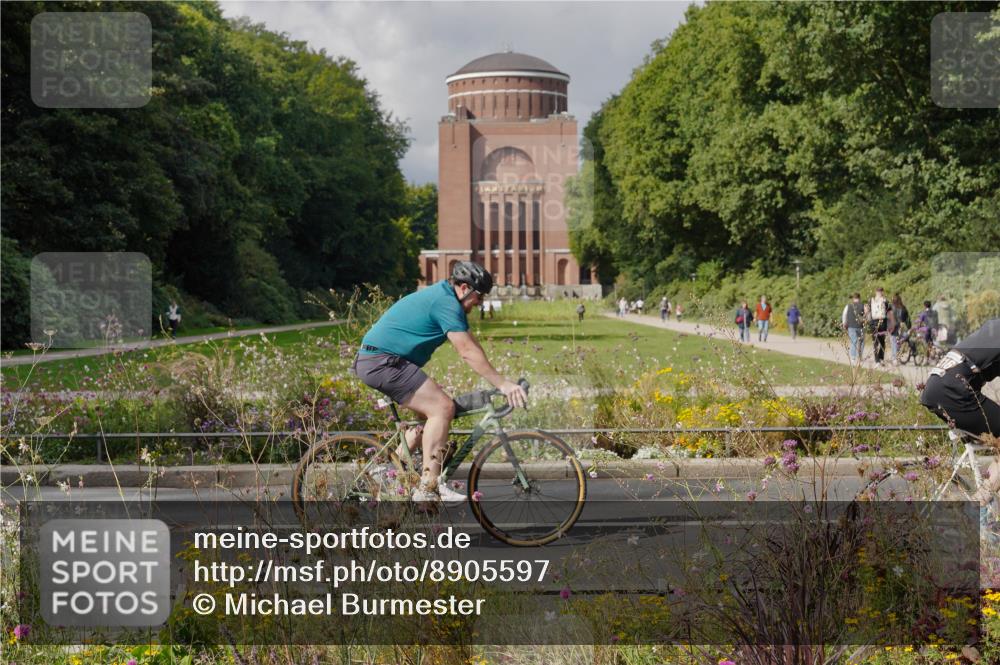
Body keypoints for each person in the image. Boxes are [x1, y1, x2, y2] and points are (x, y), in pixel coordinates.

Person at [353, 261, 527, 504]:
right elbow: (466, 351)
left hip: (381, 360)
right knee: (442, 408)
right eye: (479, 296)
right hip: (382, 362)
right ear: (464, 288)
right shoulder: (446, 303)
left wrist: (499, 378)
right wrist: (504, 385)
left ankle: (384, 470)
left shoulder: (445, 298)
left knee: (432, 419)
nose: (480, 303)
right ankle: (429, 486)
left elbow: (471, 343)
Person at [920, 319, 1000, 539]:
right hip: (954, 392)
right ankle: (977, 507)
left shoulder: (994, 324)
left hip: (938, 387)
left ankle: (984, 514)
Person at [842, 293, 866, 362]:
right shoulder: (863, 305)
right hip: (860, 326)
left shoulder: (848, 306)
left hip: (851, 326)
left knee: (853, 341)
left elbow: (844, 315)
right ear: (859, 298)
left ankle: (853, 357)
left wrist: (844, 323)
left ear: (853, 298)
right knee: (862, 341)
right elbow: (867, 316)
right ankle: (860, 356)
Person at [869, 287, 889, 365]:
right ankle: (877, 360)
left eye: (880, 292)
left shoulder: (885, 301)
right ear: (876, 292)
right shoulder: (871, 300)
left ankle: (881, 358)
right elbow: (868, 311)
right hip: (874, 322)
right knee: (875, 342)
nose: (880, 293)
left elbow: (888, 311)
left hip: (883, 322)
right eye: (878, 292)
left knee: (882, 342)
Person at [889, 293, 910, 362]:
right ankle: (895, 356)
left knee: (894, 342)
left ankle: (894, 358)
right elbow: (907, 319)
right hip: (901, 327)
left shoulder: (891, 307)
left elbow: (888, 317)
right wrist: (909, 327)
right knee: (897, 341)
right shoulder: (903, 307)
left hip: (893, 327)